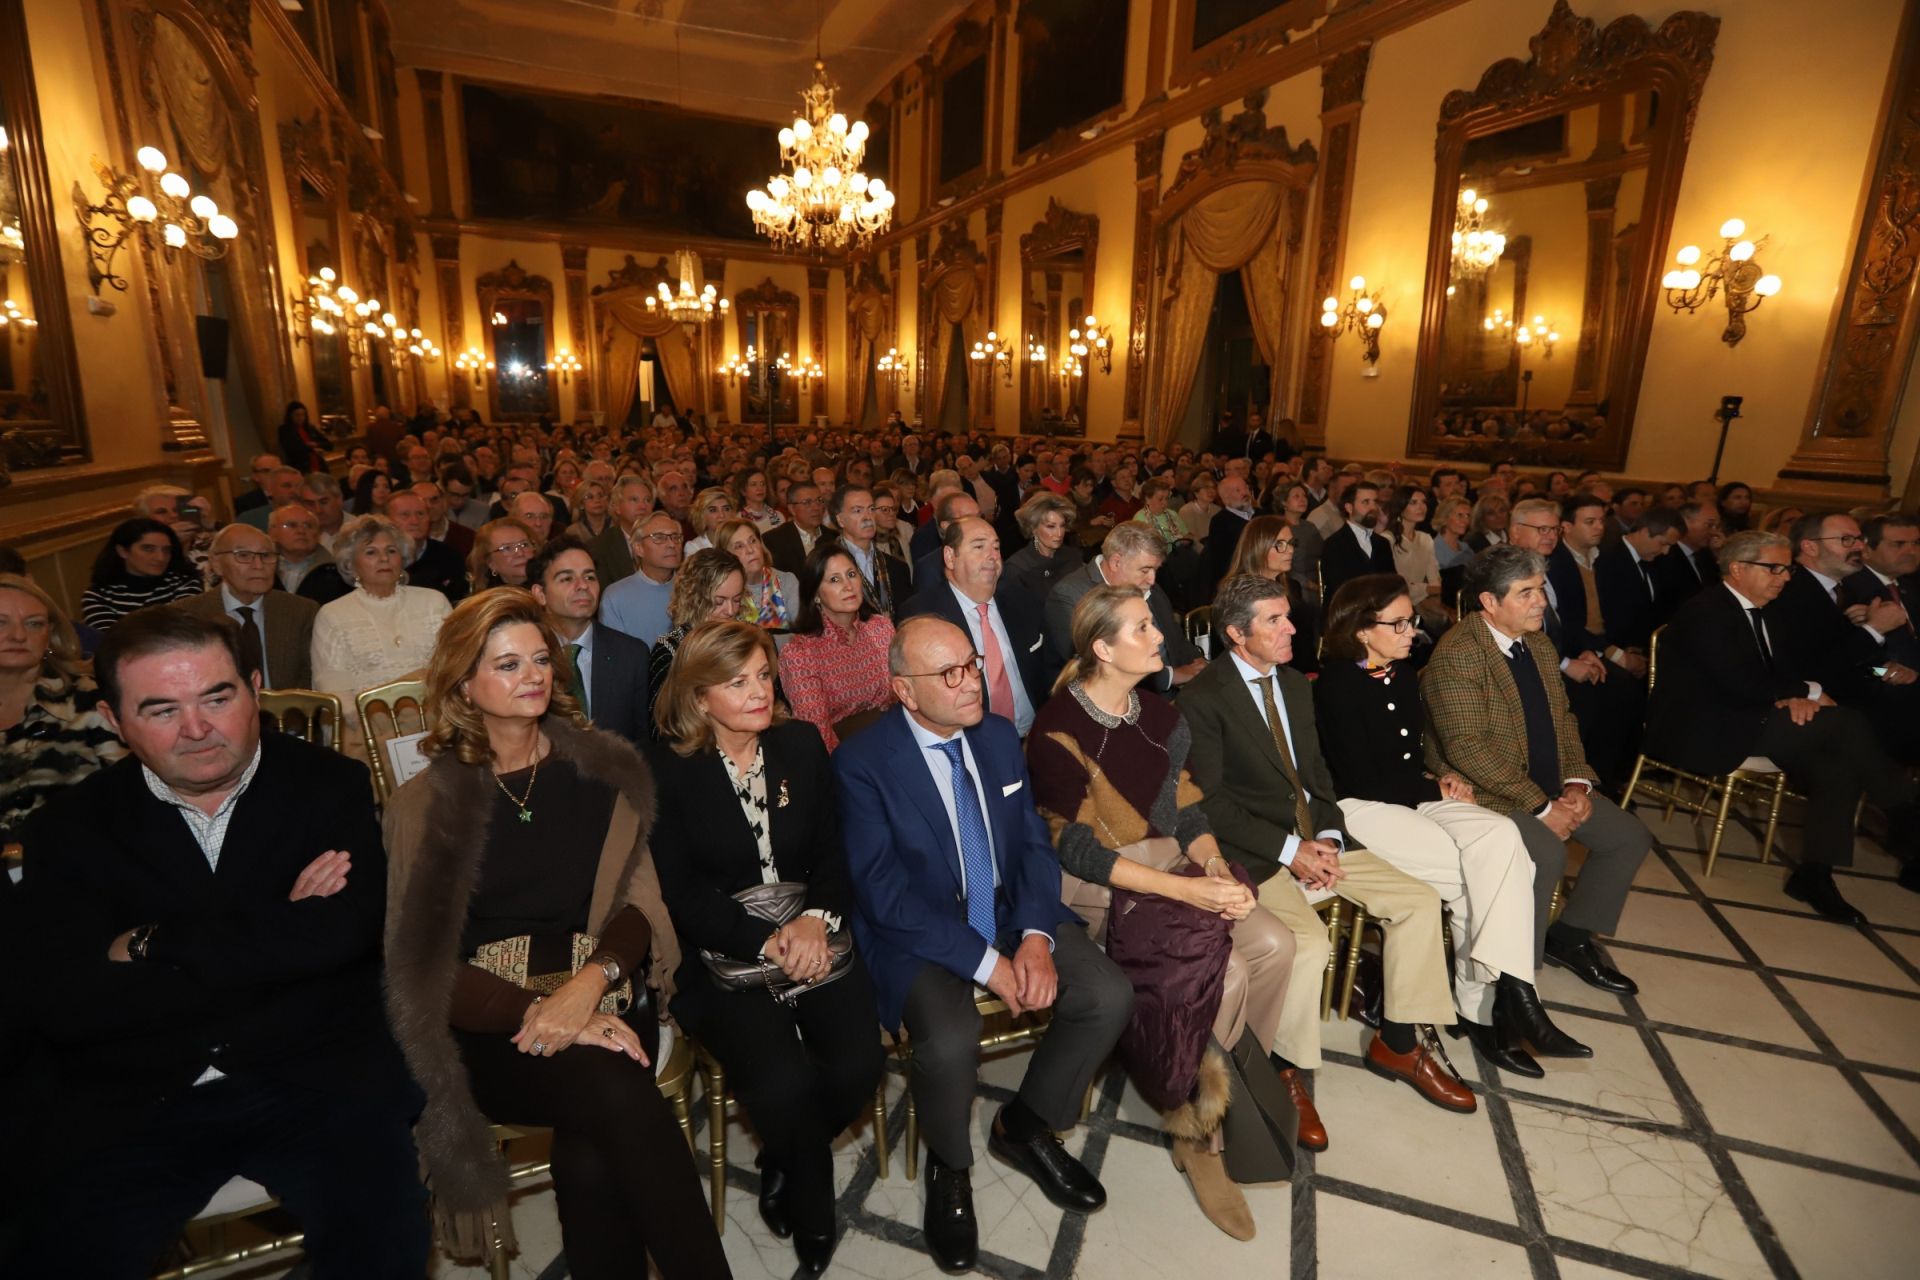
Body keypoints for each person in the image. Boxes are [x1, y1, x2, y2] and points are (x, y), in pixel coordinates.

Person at [7, 608, 427, 1277]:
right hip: (138, 1092)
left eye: (217, 697)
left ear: (254, 690)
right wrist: (275, 925)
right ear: (115, 723)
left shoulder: (327, 784)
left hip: (315, 1080)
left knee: (384, 1250)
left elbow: (340, 936)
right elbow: (63, 998)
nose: (198, 729)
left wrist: (144, 943)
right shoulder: (68, 827)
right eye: (161, 709)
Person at [380, 591, 729, 1280]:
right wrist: (540, 1011)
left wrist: (588, 987)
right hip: (488, 1024)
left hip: (606, 986)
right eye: (507, 665)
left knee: (597, 1124)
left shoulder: (603, 767)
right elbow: (424, 969)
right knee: (612, 1096)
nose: (532, 675)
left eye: (540, 659)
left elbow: (640, 904)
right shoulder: (426, 806)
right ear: (463, 684)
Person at [835, 616, 1130, 1271]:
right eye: (950, 674)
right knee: (947, 1041)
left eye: (972, 664)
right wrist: (988, 964)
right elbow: (883, 895)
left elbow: (1029, 844)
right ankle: (950, 1166)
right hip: (916, 931)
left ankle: (1024, 1126)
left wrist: (1030, 936)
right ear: (905, 692)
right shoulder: (861, 763)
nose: (973, 683)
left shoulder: (996, 737)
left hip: (1003, 912)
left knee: (1108, 994)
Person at [1027, 587, 1295, 1240]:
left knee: (1277, 944)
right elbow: (1078, 848)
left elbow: (1191, 812)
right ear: (1102, 648)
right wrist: (1188, 891)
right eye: (1144, 628)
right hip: (1100, 882)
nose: (1160, 638)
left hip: (1171, 864)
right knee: (1226, 975)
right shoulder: (1056, 726)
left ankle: (1220, 1090)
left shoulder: (1159, 714)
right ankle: (1198, 1131)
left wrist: (1208, 868)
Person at [1179, 575, 1471, 1139]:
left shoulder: (1293, 685)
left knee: (1419, 900)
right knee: (1307, 945)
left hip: (1316, 837)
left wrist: (1330, 839)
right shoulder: (1203, 698)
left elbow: (1317, 777)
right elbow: (1209, 804)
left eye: (1289, 616)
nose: (1293, 628)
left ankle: (1400, 1043)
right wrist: (1291, 851)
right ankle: (1285, 1069)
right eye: (1274, 620)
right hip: (1257, 850)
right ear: (1237, 634)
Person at [648, 622, 883, 1273]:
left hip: (813, 931)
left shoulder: (800, 743)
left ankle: (786, 1153)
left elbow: (836, 850)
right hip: (723, 952)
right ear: (699, 697)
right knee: (780, 1085)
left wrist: (815, 917)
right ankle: (813, 1200)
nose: (759, 692)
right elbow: (682, 894)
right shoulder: (667, 769)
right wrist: (767, 939)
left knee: (859, 1065)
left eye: (762, 675)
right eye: (736, 681)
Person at [1314, 574, 1585, 1077]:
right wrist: (1433, 787)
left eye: (1410, 620)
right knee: (1475, 878)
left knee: (1500, 840)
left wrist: (1443, 777)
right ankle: (1491, 1006)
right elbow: (1361, 777)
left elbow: (1409, 756)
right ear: (1360, 631)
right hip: (1360, 806)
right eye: (1397, 623)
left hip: (1414, 793)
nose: (1410, 631)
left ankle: (1510, 995)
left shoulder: (1400, 671)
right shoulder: (1337, 682)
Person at [1648, 530, 1920, 921]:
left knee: (1836, 763)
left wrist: (1798, 693)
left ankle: (1815, 874)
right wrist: (1805, 691)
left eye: (1787, 568)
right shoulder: (1706, 610)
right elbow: (1740, 684)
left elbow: (1795, 670)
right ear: (1737, 569)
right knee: (1845, 723)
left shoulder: (1771, 611)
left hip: (1751, 716)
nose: (1784, 577)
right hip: (1703, 727)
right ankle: (1904, 814)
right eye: (1773, 568)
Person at [1424, 546, 1651, 997]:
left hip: (1547, 786)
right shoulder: (1461, 654)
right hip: (1485, 792)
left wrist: (1576, 783)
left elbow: (1563, 720)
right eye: (1525, 592)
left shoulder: (1540, 645)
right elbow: (1467, 749)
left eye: (1540, 588)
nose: (1541, 601)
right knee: (1545, 853)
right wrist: (1542, 806)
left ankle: (1569, 937)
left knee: (1628, 836)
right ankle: (1514, 983)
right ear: (1489, 602)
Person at [0, 574, 127, 846]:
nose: (19, 635)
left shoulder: (89, 699)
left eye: (34, 624)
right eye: (1, 623)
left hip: (82, 862)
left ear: (50, 637)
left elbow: (132, 796)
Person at [310, 514, 452, 755]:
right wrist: (385, 729)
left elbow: (455, 665)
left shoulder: (433, 601)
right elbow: (333, 689)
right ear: (350, 563)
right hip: (371, 734)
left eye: (391, 550)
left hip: (438, 724)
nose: (384, 558)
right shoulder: (333, 614)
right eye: (371, 552)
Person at [905, 516, 1048, 736]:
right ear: (950, 557)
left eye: (997, 547)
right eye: (979, 546)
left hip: (1034, 734)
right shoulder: (922, 616)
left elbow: (1050, 668)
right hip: (971, 740)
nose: (993, 556)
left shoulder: (1022, 598)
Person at [526, 536, 651, 746]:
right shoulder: (525, 658)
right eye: (567, 579)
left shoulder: (631, 654)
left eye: (590, 577)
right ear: (540, 594)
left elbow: (642, 741)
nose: (582, 585)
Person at [782, 543, 897, 751]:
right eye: (835, 579)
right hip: (844, 754)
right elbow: (817, 732)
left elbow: (903, 692)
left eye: (851, 574)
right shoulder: (800, 653)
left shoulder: (881, 628)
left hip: (895, 737)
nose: (848, 585)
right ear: (815, 594)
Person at [181, 524, 319, 690]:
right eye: (244, 555)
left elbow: (310, 679)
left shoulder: (301, 611)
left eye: (266, 556)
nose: (259, 565)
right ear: (216, 564)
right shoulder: (186, 615)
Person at [644, 550, 747, 737]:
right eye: (718, 602)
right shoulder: (670, 650)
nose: (730, 610)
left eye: (737, 600)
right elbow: (661, 729)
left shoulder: (749, 642)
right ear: (694, 599)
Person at [80, 518, 202, 632]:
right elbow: (110, 641)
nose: (161, 557)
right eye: (148, 549)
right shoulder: (98, 595)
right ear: (122, 551)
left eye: (166, 550)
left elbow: (184, 631)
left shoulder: (184, 583)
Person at [600, 511, 685, 647]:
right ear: (639, 548)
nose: (671, 544)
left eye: (675, 537)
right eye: (659, 537)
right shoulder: (615, 595)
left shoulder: (692, 589)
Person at [829, 484, 911, 617]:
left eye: (871, 509)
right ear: (840, 520)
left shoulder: (896, 567)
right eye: (857, 511)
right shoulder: (826, 566)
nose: (867, 517)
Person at [385, 488, 469, 603]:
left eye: (420, 514)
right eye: (405, 515)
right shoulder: (380, 559)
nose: (415, 521)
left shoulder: (450, 557)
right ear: (387, 520)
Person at [1004, 491, 1084, 608]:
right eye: (1051, 526)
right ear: (1033, 528)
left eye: (1062, 525)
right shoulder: (1018, 567)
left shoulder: (1073, 556)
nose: (1059, 533)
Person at [1318, 480, 1395, 602]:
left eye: (1375, 501)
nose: (1373, 507)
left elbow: (1391, 583)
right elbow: (1341, 589)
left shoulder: (1382, 544)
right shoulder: (1334, 544)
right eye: (1366, 502)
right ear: (1349, 507)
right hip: (1346, 613)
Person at [1386, 486, 1447, 630]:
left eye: (1423, 502)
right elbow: (1394, 583)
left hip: (1420, 604)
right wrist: (1426, 589)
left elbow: (1435, 579)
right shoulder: (1388, 539)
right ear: (1400, 506)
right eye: (1413, 503)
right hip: (1395, 603)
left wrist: (1432, 590)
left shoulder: (1425, 538)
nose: (1421, 507)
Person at [587, 474, 656, 587]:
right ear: (617, 507)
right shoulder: (599, 547)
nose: (643, 506)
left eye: (647, 500)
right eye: (634, 500)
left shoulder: (663, 540)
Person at [764, 481, 829, 575]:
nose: (816, 507)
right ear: (792, 509)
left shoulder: (833, 537)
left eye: (819, 500)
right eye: (807, 502)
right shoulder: (773, 541)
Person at [469, 516, 540, 591]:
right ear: (490, 563)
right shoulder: (490, 601)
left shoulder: (549, 588)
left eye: (524, 545)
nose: (520, 553)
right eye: (507, 548)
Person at [277, 400, 328, 473]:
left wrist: (316, 444)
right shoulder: (285, 430)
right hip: (300, 468)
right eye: (297, 415)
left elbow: (328, 444)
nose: (300, 417)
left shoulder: (310, 428)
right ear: (290, 415)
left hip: (319, 466)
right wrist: (312, 449)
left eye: (303, 414)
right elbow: (293, 448)